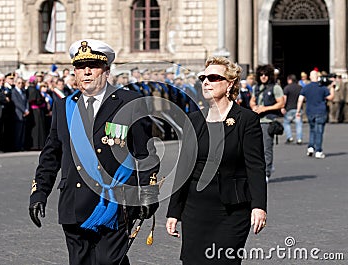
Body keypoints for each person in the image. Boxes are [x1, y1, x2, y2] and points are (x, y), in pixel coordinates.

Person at [29, 39, 160, 265]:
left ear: (106, 70)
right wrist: (39, 191)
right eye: (80, 67)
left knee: (109, 261)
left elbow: (145, 153)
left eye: (93, 66)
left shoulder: (129, 102)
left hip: (115, 204)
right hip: (74, 202)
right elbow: (51, 154)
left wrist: (148, 192)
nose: (86, 72)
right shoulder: (65, 106)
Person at [166, 56, 267, 265]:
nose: (206, 82)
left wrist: (259, 206)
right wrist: (174, 211)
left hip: (232, 210)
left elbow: (255, 166)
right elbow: (184, 167)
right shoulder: (193, 120)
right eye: (204, 77)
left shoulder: (246, 120)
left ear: (229, 83)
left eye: (213, 78)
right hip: (196, 210)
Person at [249, 64, 284, 182]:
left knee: (266, 148)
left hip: (268, 121)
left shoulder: (275, 87)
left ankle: (266, 172)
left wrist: (265, 108)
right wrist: (254, 106)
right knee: (255, 148)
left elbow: (281, 103)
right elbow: (252, 101)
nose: (263, 77)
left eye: (266, 75)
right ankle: (258, 170)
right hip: (256, 121)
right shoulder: (256, 87)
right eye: (261, 75)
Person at [296, 70, 334, 159]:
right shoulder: (323, 87)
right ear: (318, 77)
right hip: (320, 111)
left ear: (310, 77)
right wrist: (332, 87)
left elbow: (300, 99)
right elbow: (331, 98)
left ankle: (310, 147)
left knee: (312, 130)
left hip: (310, 111)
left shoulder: (306, 87)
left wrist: (298, 111)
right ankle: (319, 150)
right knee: (319, 131)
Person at [281, 74, 303, 144]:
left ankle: (289, 137)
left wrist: (282, 107)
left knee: (286, 123)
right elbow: (302, 99)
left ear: (290, 80)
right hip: (298, 108)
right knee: (298, 124)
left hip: (289, 108)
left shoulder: (287, 88)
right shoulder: (300, 88)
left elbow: (285, 99)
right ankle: (299, 138)